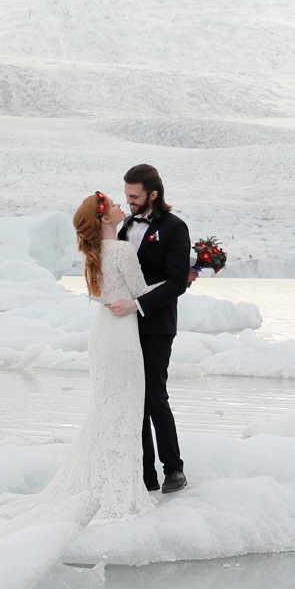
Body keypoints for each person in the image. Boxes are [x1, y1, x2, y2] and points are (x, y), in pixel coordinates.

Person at [32, 192, 156, 521]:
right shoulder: (122, 249)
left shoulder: (95, 252)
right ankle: (118, 490)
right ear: (103, 218)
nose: (119, 207)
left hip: (102, 335)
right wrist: (180, 278)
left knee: (105, 410)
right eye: (114, 205)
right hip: (121, 337)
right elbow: (141, 293)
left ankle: (100, 483)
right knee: (126, 409)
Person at [105, 164, 190, 494]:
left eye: (135, 196)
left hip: (157, 325)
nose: (129, 202)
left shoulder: (175, 228)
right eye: (126, 196)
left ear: (153, 194)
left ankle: (174, 470)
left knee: (155, 395)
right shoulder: (125, 225)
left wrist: (138, 305)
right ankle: (145, 475)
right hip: (125, 325)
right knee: (132, 398)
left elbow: (177, 282)